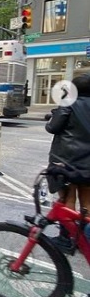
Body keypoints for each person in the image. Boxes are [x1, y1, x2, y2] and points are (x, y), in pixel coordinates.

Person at [45, 74, 90, 218]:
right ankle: (85, 232)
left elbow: (52, 127)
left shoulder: (69, 103)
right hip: (88, 164)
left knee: (67, 200)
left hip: (66, 160)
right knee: (87, 203)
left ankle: (67, 231)